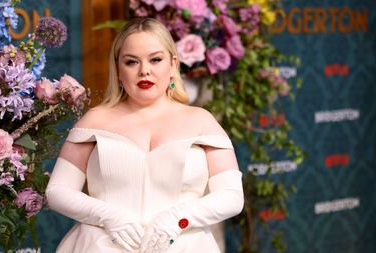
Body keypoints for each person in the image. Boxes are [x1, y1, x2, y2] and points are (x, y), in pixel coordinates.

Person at [46, 17, 244, 253]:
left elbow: (232, 196)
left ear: (173, 64)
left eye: (155, 59)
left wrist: (179, 219)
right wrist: (108, 216)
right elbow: (57, 191)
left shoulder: (202, 121)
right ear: (118, 68)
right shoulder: (94, 120)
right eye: (131, 62)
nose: (144, 71)